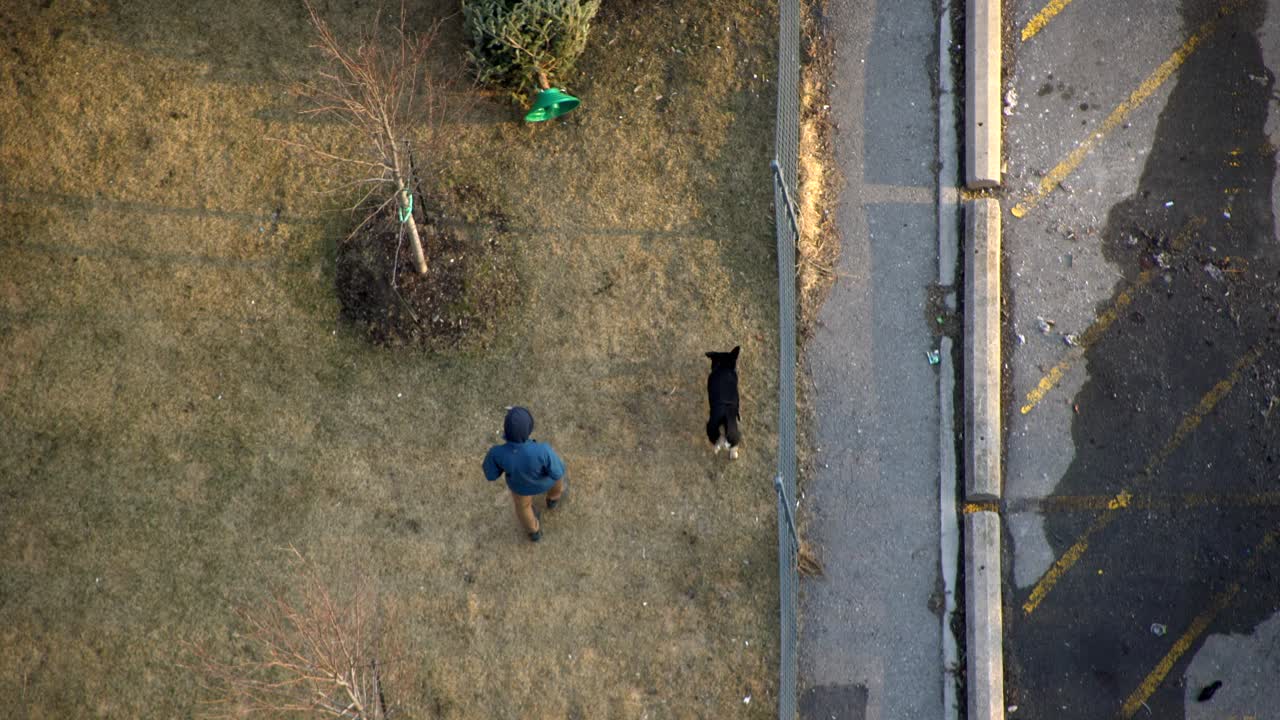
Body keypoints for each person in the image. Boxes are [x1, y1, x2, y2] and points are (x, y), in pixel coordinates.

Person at [482, 406, 567, 542]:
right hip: (546, 482)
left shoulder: (496, 453)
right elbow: (557, 471)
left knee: (523, 507)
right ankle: (553, 499)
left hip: (521, 488)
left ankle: (534, 531)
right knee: (559, 478)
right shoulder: (543, 450)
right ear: (529, 429)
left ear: (506, 430)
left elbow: (490, 475)